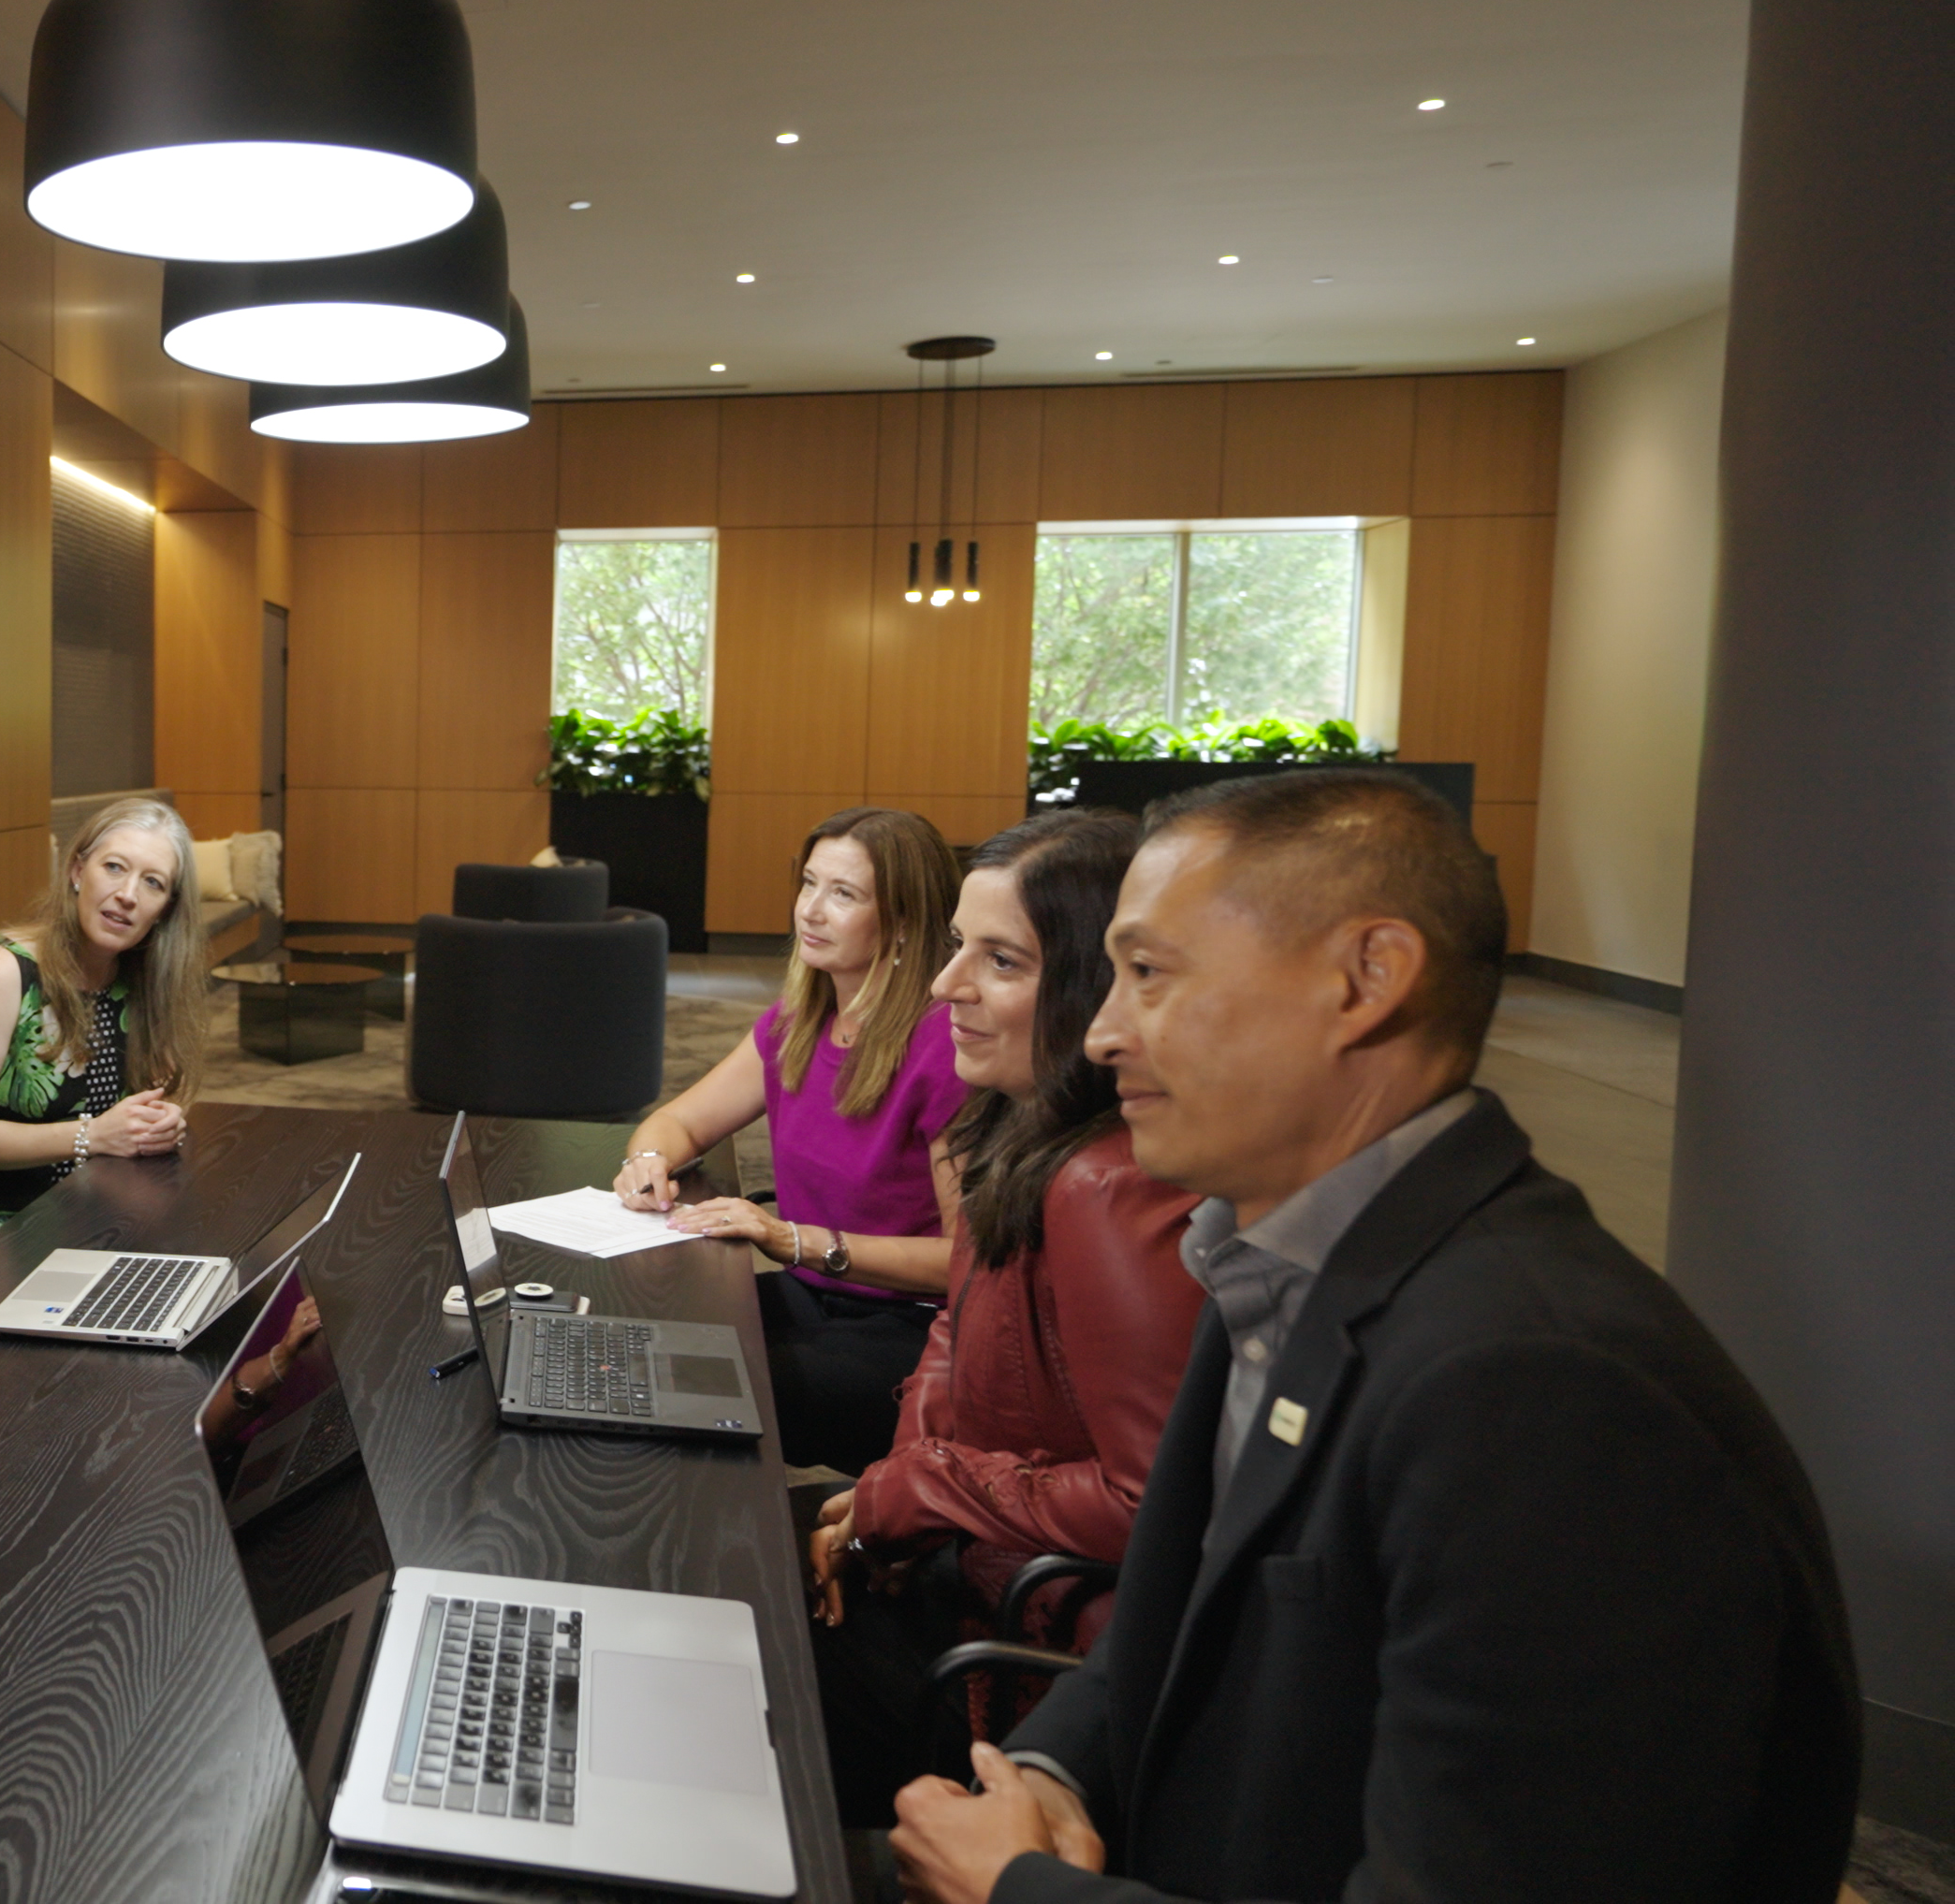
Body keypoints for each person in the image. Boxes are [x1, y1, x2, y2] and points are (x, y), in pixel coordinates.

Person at [886, 768, 1859, 1904]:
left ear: (1368, 980)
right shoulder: (1274, 1255)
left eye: (1147, 974)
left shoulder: (1539, 1390)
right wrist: (1054, 1774)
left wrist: (1022, 1891)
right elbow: (1179, 1625)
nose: (1102, 1033)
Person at [795, 810, 1203, 1827]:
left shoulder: (1106, 1190)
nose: (945, 988)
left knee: (733, 1632)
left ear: (1095, 985)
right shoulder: (1018, 1131)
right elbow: (951, 1338)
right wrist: (890, 1490)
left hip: (1026, 1663)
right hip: (966, 1568)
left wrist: (922, 1490)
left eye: (1002, 962)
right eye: (953, 950)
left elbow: (1149, 1500)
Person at [617, 805, 968, 1472]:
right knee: (643, 1340)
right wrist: (648, 1161)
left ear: (902, 920)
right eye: (808, 884)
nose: (810, 910)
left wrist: (790, 1239)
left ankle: (727, 1565)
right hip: (816, 1296)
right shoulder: (798, 1024)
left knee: (694, 1392)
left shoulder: (943, 1048)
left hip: (914, 1330)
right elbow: (677, 1123)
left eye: (843, 894)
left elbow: (964, 1262)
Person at [0, 796, 208, 1268]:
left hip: (83, 1209)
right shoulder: (1, 972)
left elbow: (135, 1107)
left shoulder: (140, 982)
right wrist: (92, 1135)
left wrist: (156, 1125)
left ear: (164, 909)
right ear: (78, 871)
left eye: (153, 883)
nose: (128, 894)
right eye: (115, 867)